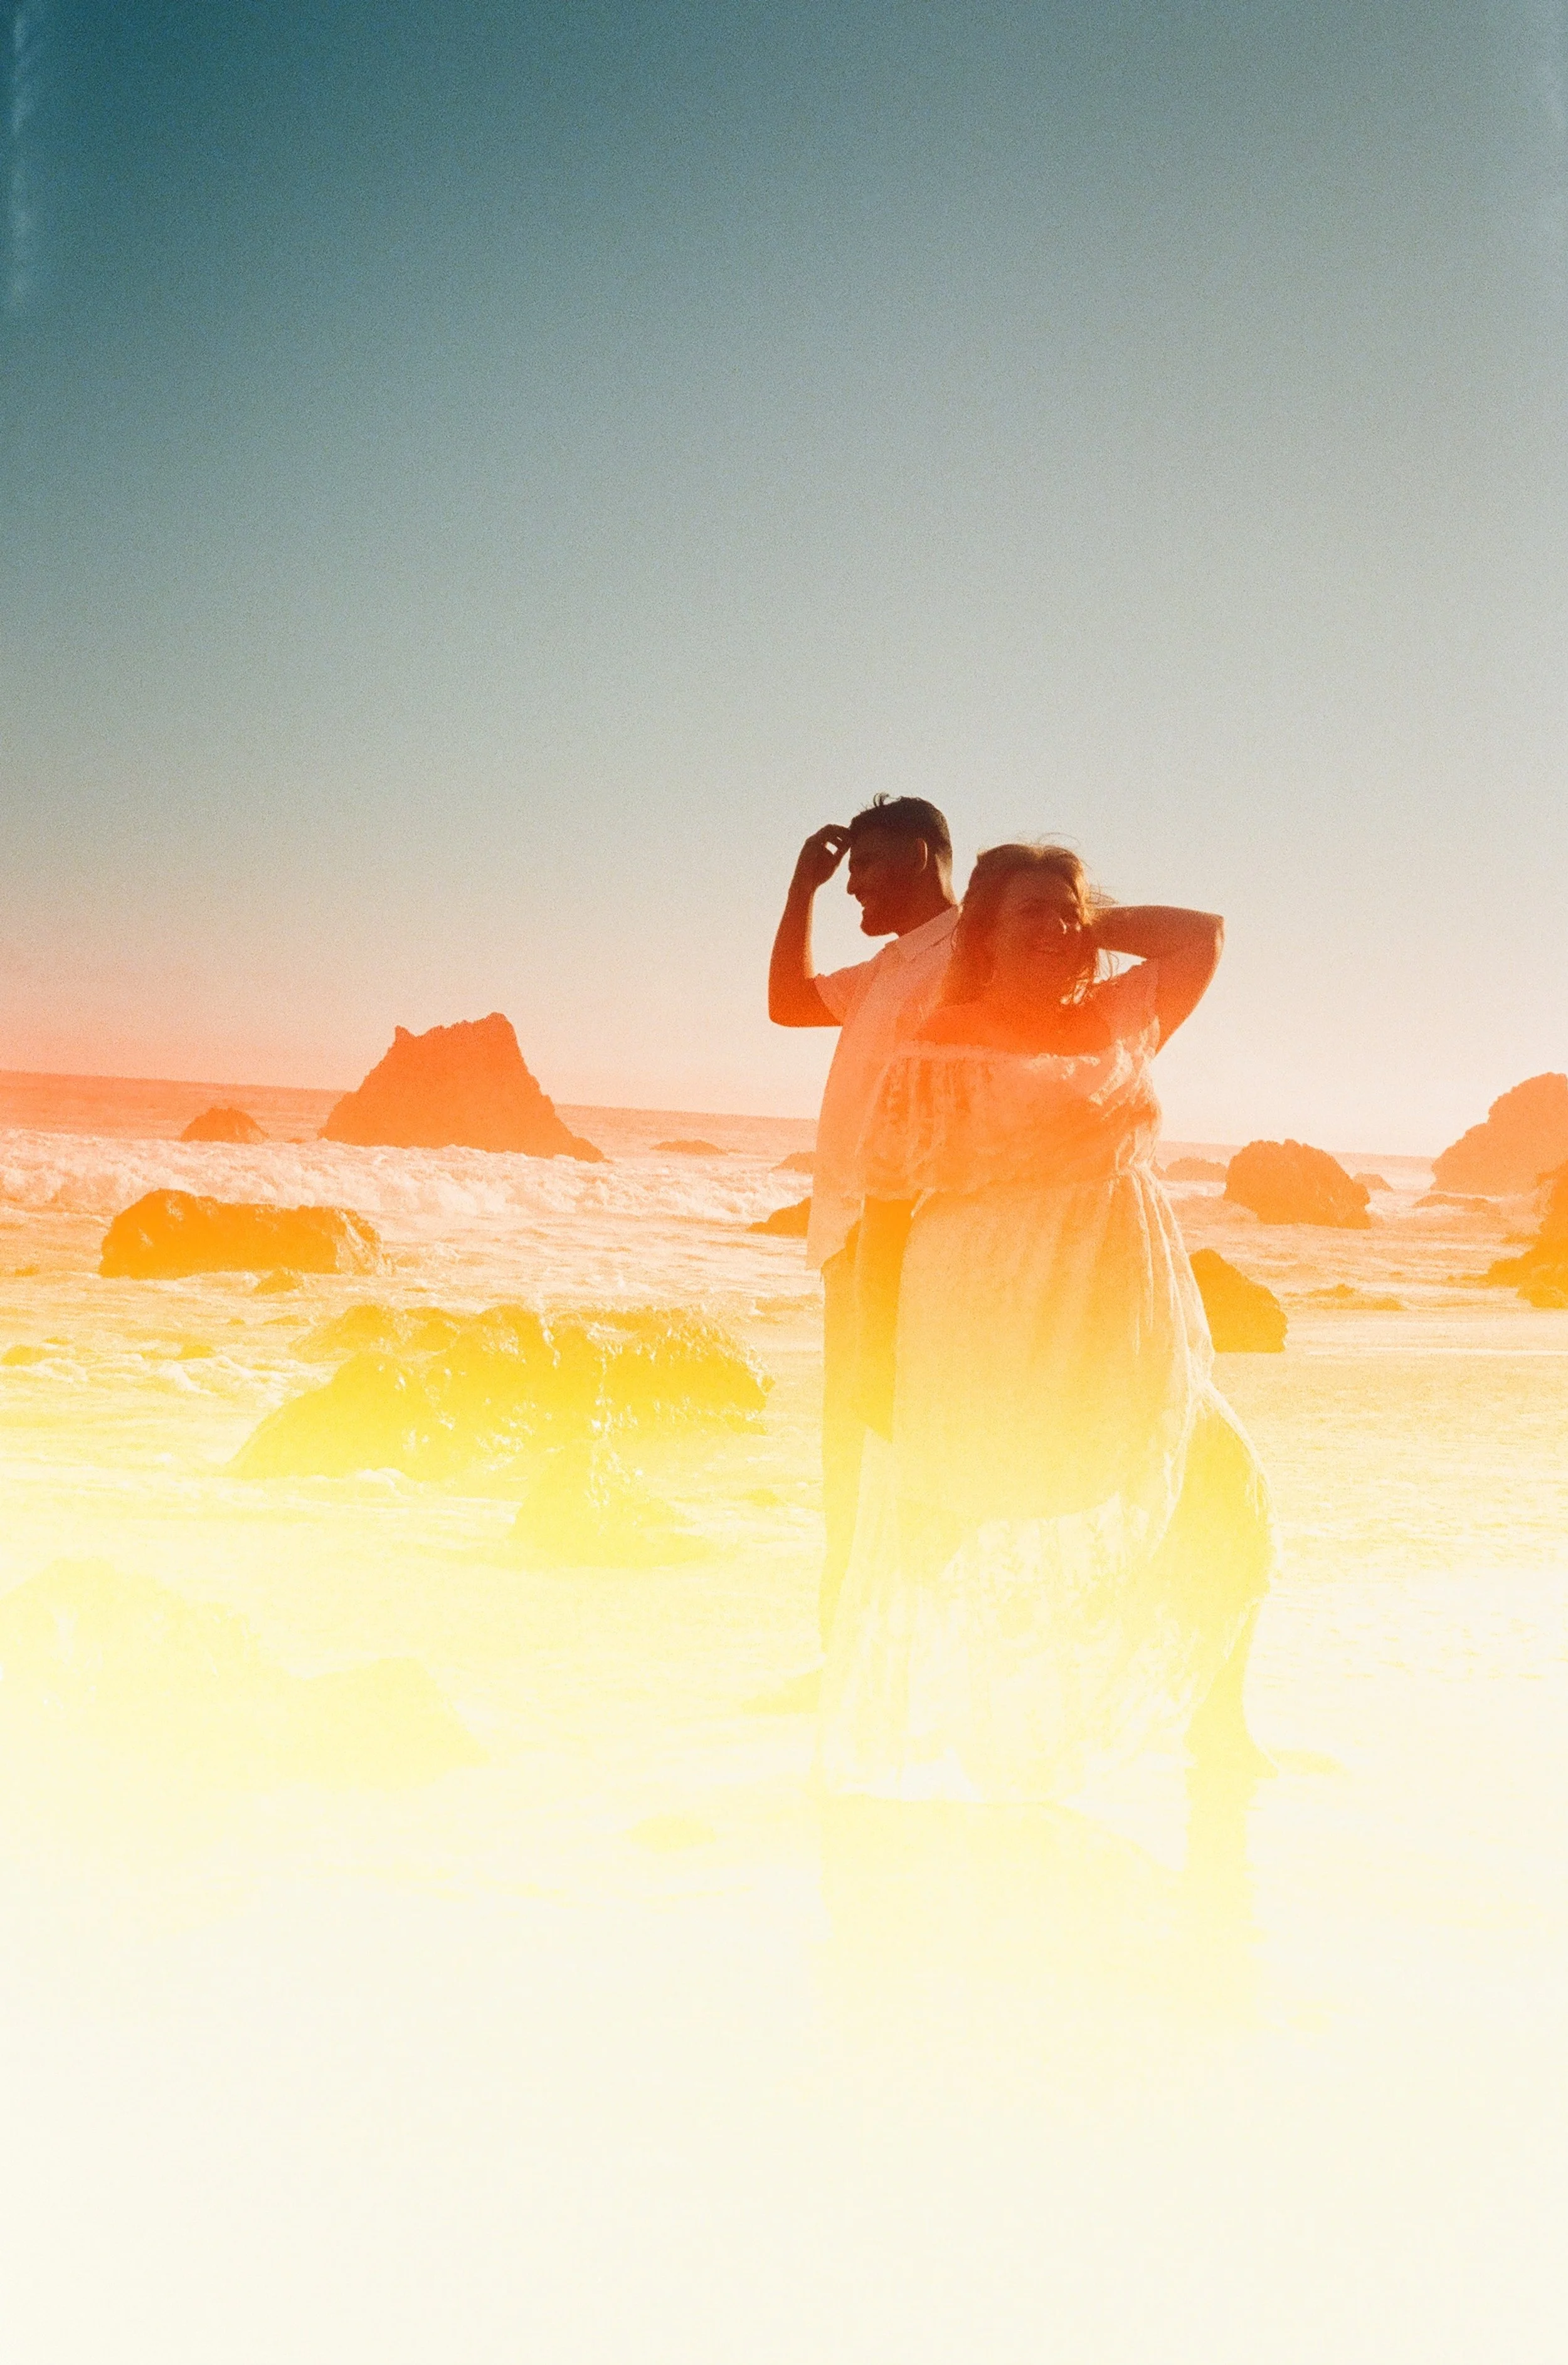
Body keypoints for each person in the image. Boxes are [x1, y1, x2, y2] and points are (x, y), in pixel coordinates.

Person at [816, 842, 1274, 1802]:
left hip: (1117, 1311)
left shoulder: (1113, 1018)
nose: (1060, 931)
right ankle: (886, 1735)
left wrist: (1082, 923)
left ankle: (1218, 1723)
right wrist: (874, 1353)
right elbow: (891, 1201)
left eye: (1069, 914)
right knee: (944, 1516)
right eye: (1032, 915)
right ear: (983, 933)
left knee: (1223, 1490)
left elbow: (1204, 938)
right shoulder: (945, 1036)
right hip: (985, 1307)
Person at [768, 795, 959, 1646]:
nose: (852, 891)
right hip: (852, 1240)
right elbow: (788, 1003)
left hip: (911, 1243)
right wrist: (798, 889)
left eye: (864, 871)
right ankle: (846, 1654)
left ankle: (873, 1658)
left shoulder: (969, 955)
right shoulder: (887, 969)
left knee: (894, 1450)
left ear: (920, 857)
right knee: (850, 1452)